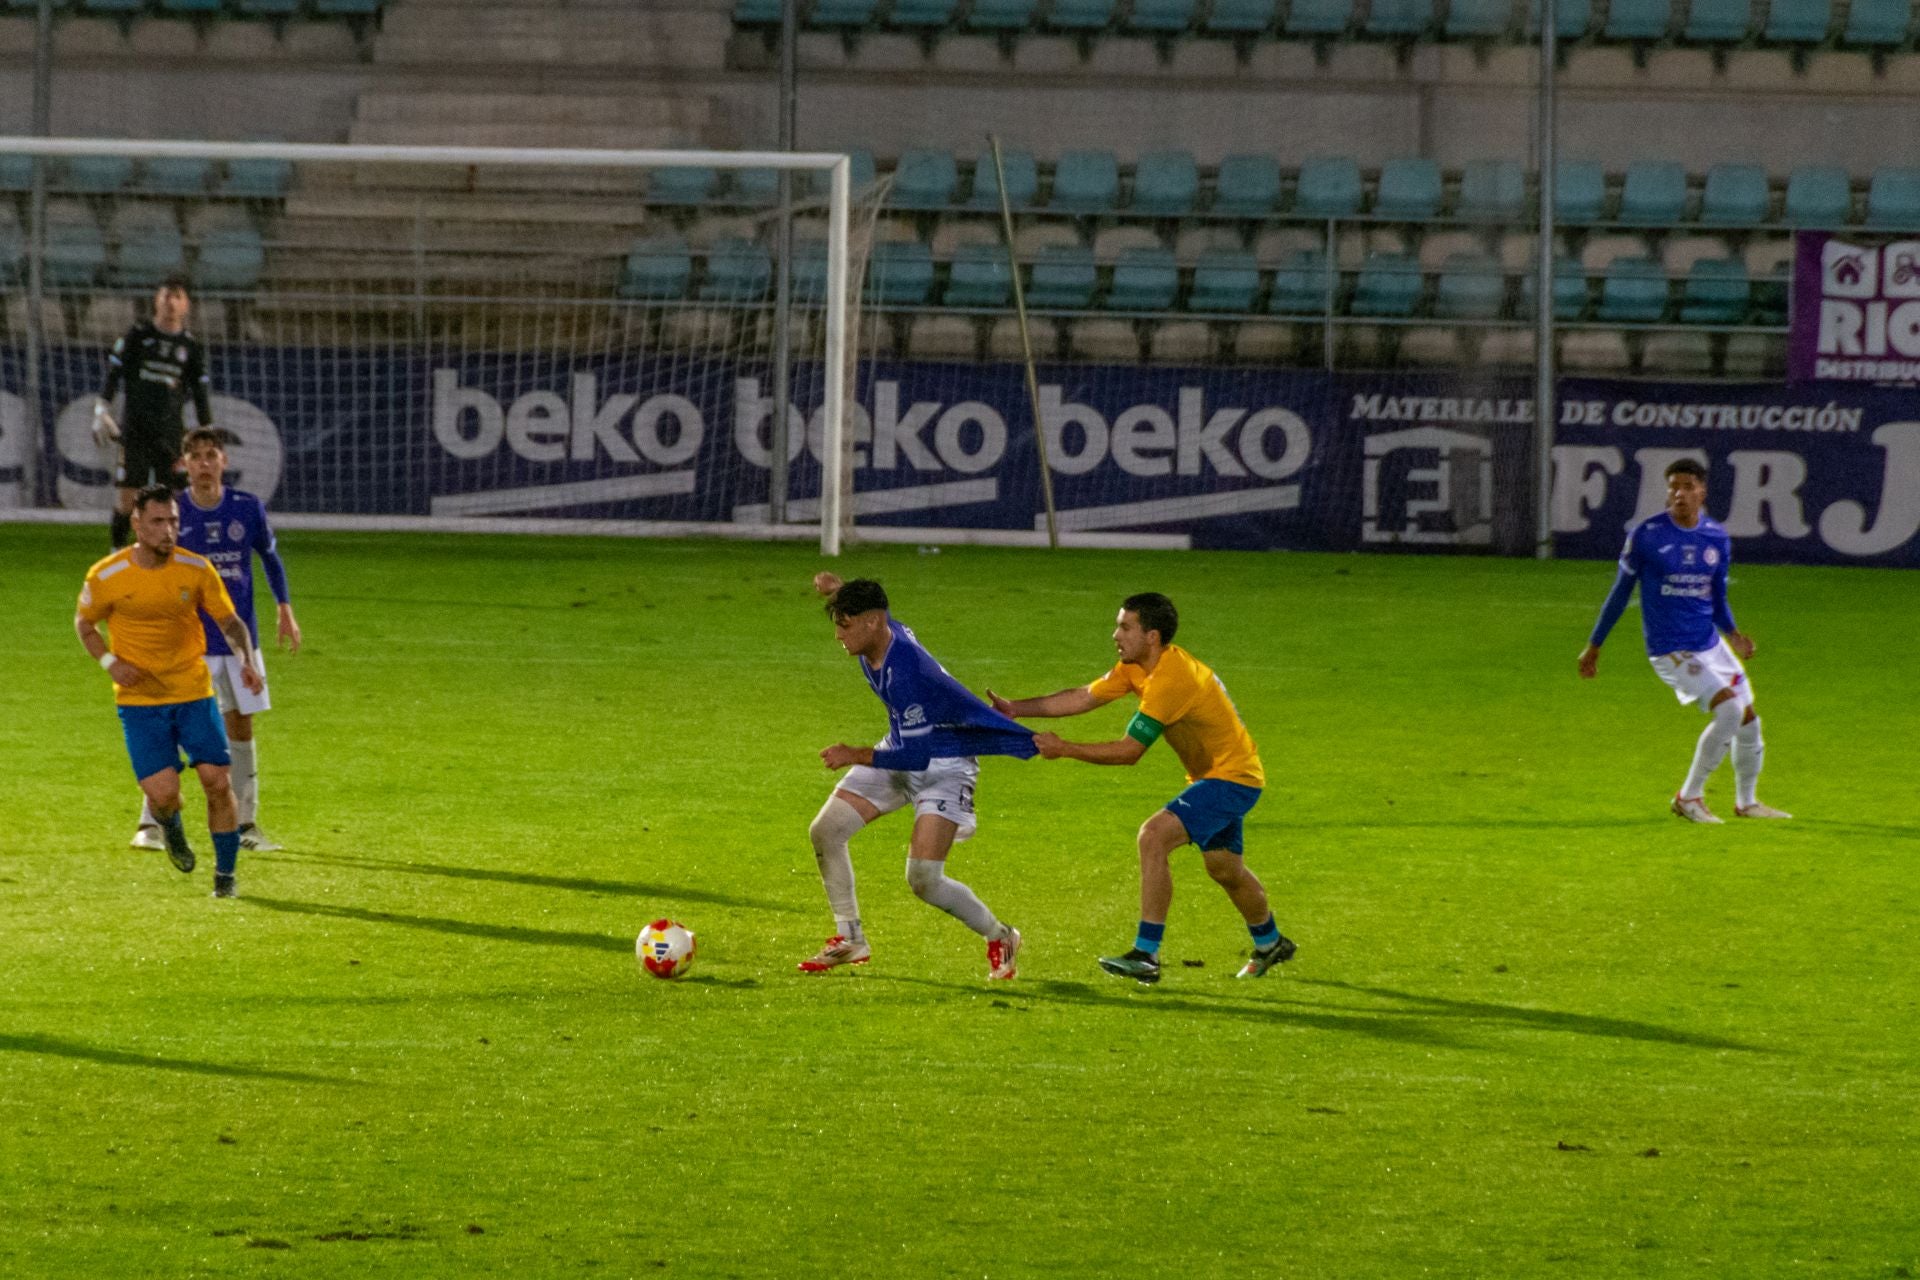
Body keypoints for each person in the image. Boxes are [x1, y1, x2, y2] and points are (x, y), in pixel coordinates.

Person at [990, 592, 1293, 986]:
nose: (1116, 634)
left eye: (1125, 626)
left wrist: (1065, 749)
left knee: (1154, 836)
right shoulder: (1136, 667)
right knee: (1224, 869)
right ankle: (1271, 943)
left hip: (1232, 779)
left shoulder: (1172, 678)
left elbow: (1130, 751)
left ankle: (1146, 954)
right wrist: (1016, 708)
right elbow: (1085, 695)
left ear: (1152, 636)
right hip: (1216, 777)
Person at [804, 574, 1035, 979]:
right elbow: (906, 749)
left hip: (944, 765)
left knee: (924, 879)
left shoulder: (904, 670)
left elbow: (916, 755)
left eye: (844, 624)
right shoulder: (882, 632)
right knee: (826, 830)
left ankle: (1001, 935)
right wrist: (838, 591)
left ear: (872, 621)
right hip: (902, 749)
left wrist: (852, 754)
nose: (838, 635)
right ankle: (850, 938)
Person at [76, 485, 264, 898]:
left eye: (174, 521)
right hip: (140, 702)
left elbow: (231, 622)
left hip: (193, 693)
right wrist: (111, 663)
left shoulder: (195, 569)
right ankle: (170, 825)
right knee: (163, 795)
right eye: (159, 522)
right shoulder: (106, 576)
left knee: (216, 780)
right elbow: (84, 625)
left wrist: (246, 660)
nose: (169, 530)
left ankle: (226, 877)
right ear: (137, 523)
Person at [1579, 457, 1790, 824]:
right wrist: (1595, 644)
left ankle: (1747, 803)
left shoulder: (1716, 537)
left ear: (1702, 491)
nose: (1679, 494)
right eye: (1673, 487)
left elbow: (1716, 596)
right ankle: (1688, 797)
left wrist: (1734, 634)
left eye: (1687, 487)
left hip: (1709, 644)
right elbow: (1619, 593)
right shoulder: (1647, 535)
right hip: (1670, 649)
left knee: (1749, 719)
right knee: (1728, 710)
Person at [130, 428, 301, 854]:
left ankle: (246, 824)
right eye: (196, 456)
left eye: (212, 455)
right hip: (189, 642)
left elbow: (269, 557)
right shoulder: (173, 513)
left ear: (224, 461)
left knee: (241, 727)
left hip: (239, 638)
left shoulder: (246, 508)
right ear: (183, 464)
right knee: (170, 726)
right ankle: (150, 824)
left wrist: (284, 608)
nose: (204, 464)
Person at [91, 274, 214, 550]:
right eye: (166, 295)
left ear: (187, 306)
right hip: (135, 431)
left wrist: (207, 433)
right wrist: (101, 408)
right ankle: (116, 555)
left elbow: (201, 395)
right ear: (156, 301)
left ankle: (173, 555)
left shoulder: (191, 348)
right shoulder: (138, 336)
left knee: (175, 500)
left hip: (171, 434)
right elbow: (113, 375)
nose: (171, 302)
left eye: (178, 296)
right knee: (127, 499)